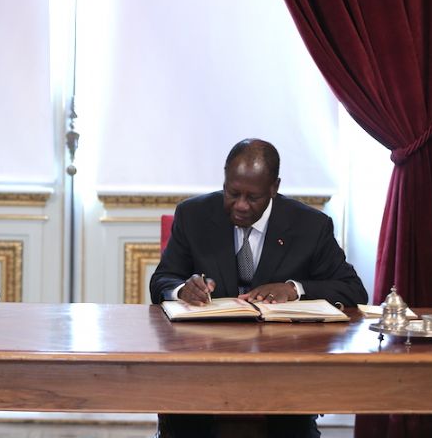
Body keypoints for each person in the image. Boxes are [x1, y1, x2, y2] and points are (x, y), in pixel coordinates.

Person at [150, 138, 368, 438]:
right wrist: (181, 290)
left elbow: (353, 290)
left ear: (274, 188)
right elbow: (162, 280)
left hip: (284, 369)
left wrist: (295, 288)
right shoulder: (194, 215)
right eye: (232, 193)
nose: (240, 205)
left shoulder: (310, 225)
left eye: (252, 197)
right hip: (203, 363)